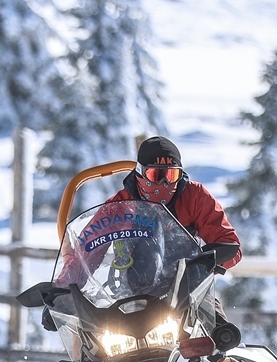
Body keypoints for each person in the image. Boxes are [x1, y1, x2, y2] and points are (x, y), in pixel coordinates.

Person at [47, 136, 242, 329]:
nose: (164, 183)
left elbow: (229, 243)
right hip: (128, 299)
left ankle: (222, 356)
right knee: (92, 348)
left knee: (218, 333)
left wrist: (208, 261)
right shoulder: (119, 207)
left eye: (171, 176)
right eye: (156, 176)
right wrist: (61, 295)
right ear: (140, 173)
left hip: (187, 293)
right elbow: (86, 251)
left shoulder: (195, 196)